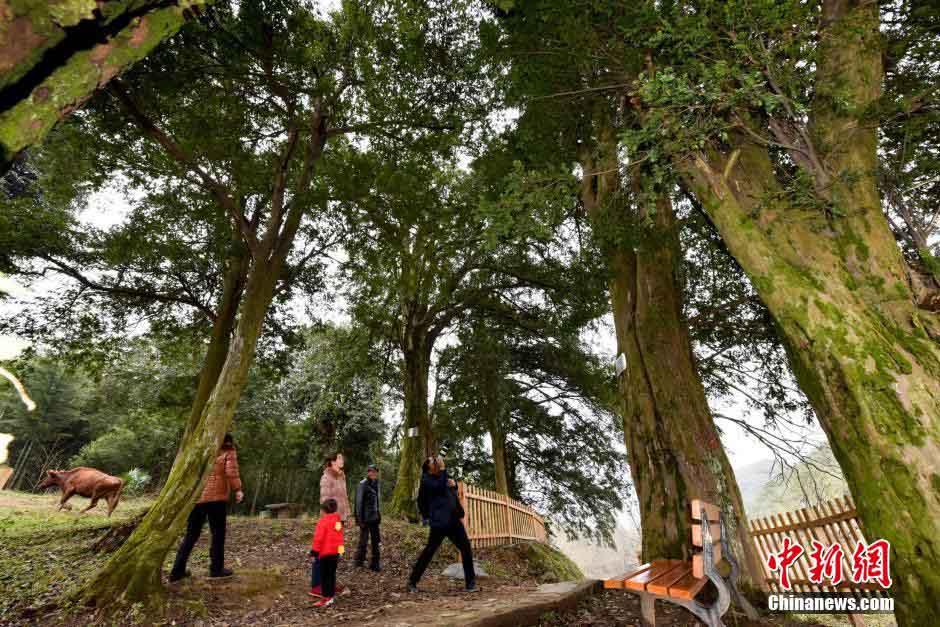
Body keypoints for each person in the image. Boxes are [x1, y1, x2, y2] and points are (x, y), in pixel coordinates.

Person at [170, 432, 244, 582]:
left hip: (197, 497)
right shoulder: (228, 450)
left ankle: (177, 571)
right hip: (217, 499)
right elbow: (231, 472)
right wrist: (238, 489)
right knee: (218, 534)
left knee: (191, 534)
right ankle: (216, 569)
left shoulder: (199, 447)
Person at [407, 455, 478, 593]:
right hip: (439, 523)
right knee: (429, 552)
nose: (436, 461)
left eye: (435, 460)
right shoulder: (426, 480)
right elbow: (437, 488)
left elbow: (449, 490)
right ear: (428, 467)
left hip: (453, 520)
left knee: (466, 548)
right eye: (432, 461)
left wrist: (454, 485)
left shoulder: (442, 476)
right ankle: (412, 581)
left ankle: (470, 583)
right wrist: (427, 517)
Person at [310, 452, 348, 597]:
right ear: (332, 461)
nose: (342, 460)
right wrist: (330, 519)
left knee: (334, 552)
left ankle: (329, 583)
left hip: (340, 519)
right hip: (329, 520)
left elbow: (344, 498)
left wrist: (346, 515)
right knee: (323, 551)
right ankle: (317, 585)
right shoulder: (326, 477)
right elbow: (324, 500)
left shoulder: (342, 476)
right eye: (339, 458)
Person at [308, 498, 345, 608]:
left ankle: (325, 598)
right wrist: (341, 551)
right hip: (335, 553)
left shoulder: (323, 521)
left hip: (325, 553)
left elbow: (318, 538)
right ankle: (331, 596)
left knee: (324, 577)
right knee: (331, 575)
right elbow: (340, 536)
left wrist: (314, 553)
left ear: (324, 510)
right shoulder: (338, 521)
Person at [354, 463, 382, 571]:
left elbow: (377, 501)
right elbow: (358, 503)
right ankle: (359, 561)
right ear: (368, 472)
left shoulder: (376, 483)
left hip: (374, 518)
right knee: (363, 541)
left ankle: (375, 563)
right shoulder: (362, 484)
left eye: (375, 472)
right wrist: (359, 520)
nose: (373, 473)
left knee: (376, 541)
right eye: (371, 471)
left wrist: (378, 514)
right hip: (365, 518)